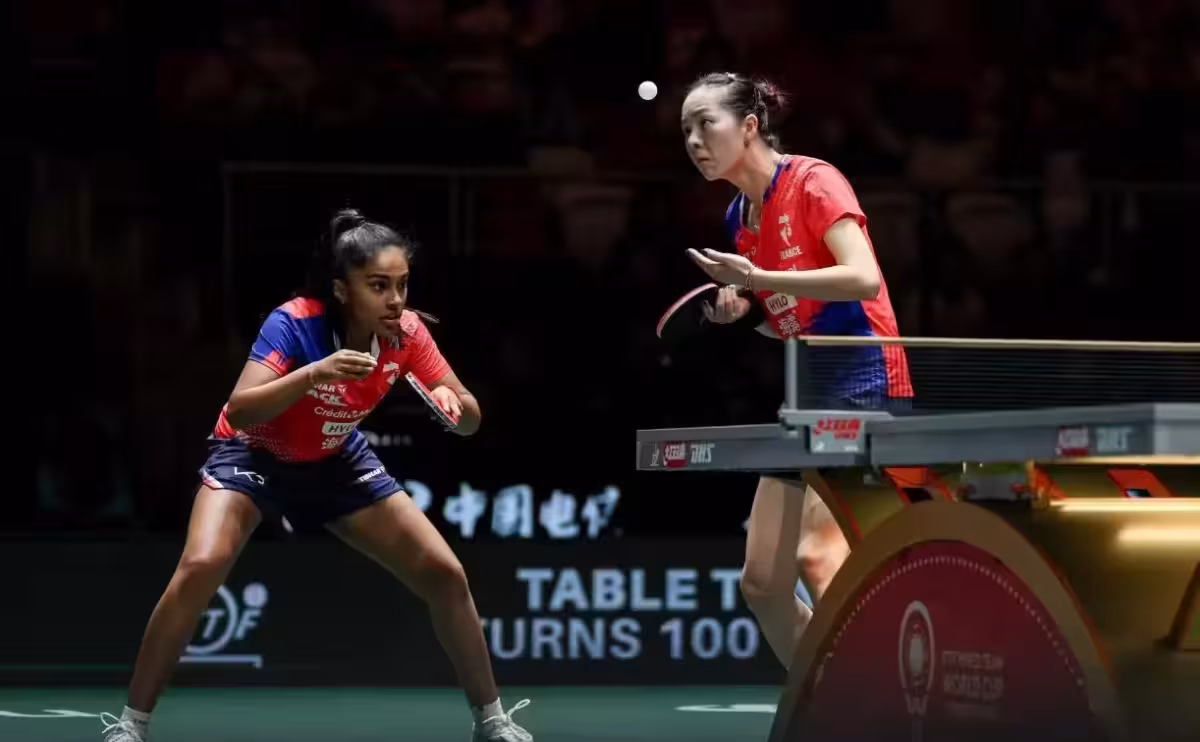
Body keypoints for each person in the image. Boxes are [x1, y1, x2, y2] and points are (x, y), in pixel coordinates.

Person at [100, 209, 533, 742]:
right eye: (379, 285)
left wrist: (456, 408)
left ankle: (491, 722)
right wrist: (314, 373)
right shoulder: (294, 323)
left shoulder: (407, 335)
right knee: (201, 564)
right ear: (342, 289)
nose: (395, 300)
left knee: (445, 574)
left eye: (402, 284)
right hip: (253, 455)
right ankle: (131, 724)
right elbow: (240, 410)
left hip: (335, 459)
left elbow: (470, 418)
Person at [679, 72, 914, 671]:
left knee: (817, 556)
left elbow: (863, 278)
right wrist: (745, 313)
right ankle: (831, 695)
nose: (695, 140)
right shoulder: (739, 218)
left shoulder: (814, 180)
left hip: (864, 381)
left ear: (749, 126)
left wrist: (755, 279)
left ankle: (869, 699)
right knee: (762, 583)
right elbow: (787, 318)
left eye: (706, 123)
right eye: (686, 131)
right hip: (805, 389)